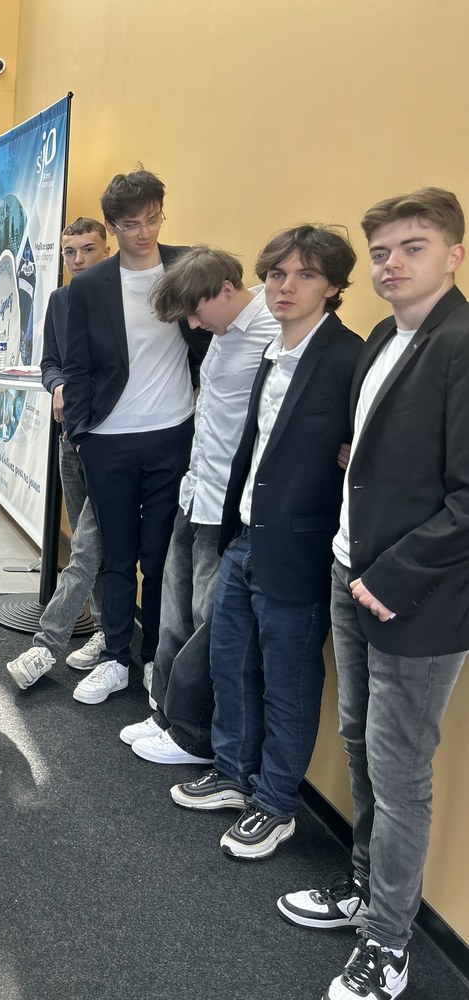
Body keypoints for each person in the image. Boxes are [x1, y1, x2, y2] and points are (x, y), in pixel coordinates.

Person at [276, 189, 469, 1000]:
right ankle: (363, 890)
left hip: (412, 600)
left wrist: (389, 576)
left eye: (411, 247)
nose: (392, 264)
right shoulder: (386, 337)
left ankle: (388, 944)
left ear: (454, 255)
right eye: (382, 251)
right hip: (347, 570)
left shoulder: (460, 345)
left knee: (399, 777)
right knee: (357, 743)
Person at [169, 226, 361, 862]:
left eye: (305, 275)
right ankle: (231, 774)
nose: (285, 286)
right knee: (229, 662)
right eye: (277, 274)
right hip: (245, 534)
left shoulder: (349, 359)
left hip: (301, 549)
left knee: (288, 682)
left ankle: (276, 805)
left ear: (332, 286)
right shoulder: (272, 351)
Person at [117, 246, 279, 764]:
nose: (192, 324)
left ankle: (194, 734)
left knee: (210, 622)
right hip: (196, 491)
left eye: (195, 312)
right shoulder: (224, 330)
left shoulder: (274, 331)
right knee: (173, 612)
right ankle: (165, 712)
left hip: (229, 505)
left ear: (227, 289)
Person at [61, 168, 210, 706]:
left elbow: (218, 337)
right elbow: (77, 365)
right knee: (117, 557)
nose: (144, 232)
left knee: (161, 556)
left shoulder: (188, 266)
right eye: (130, 224)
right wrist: (82, 433)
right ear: (111, 227)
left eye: (153, 220)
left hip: (173, 433)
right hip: (108, 438)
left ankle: (154, 661)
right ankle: (115, 658)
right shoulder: (90, 285)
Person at [6, 218, 111, 689]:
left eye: (88, 249)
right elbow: (50, 361)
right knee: (94, 547)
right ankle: (108, 633)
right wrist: (58, 385)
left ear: (106, 249)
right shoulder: (60, 300)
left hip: (113, 443)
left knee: (87, 547)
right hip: (71, 437)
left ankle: (48, 644)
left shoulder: (127, 300)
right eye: (70, 252)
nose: (79, 259)